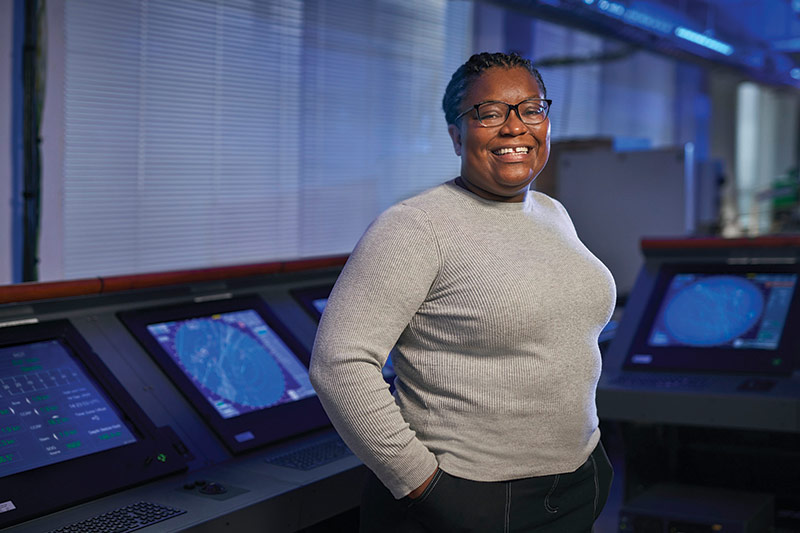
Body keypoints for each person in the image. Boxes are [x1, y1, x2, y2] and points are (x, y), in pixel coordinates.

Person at [309, 52, 616, 532]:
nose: (515, 128)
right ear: (457, 135)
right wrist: (420, 483)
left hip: (575, 482)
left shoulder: (552, 212)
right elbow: (338, 364)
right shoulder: (414, 228)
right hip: (468, 496)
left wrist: (592, 459)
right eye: (489, 114)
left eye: (531, 109)